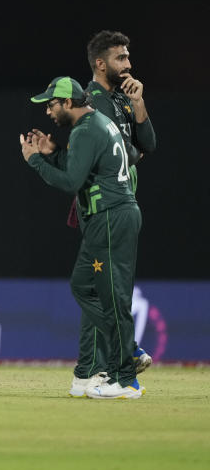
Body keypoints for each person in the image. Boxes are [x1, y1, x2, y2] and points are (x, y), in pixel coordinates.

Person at [21, 77, 144, 399]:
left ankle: (125, 379)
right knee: (82, 285)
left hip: (109, 217)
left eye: (52, 104)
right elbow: (85, 169)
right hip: (114, 215)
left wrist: (35, 161)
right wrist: (53, 152)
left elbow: (71, 181)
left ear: (69, 103)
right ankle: (128, 349)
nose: (48, 111)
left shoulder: (86, 129)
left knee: (111, 297)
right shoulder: (97, 123)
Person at [83, 30, 156, 375]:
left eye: (128, 56)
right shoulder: (92, 101)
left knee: (112, 286)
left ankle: (102, 363)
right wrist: (134, 153)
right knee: (105, 287)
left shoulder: (123, 99)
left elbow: (149, 144)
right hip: (104, 202)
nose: (128, 63)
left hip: (124, 199)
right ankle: (104, 364)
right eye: (120, 57)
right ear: (101, 63)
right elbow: (123, 153)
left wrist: (139, 104)